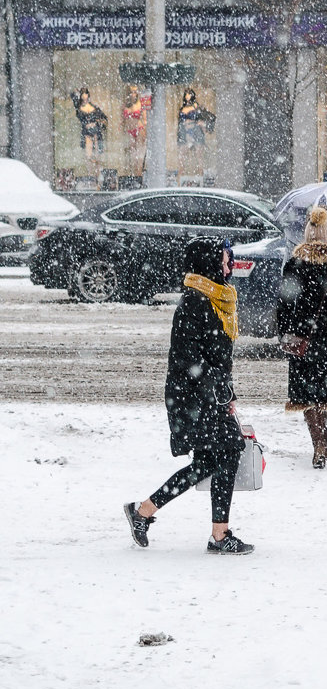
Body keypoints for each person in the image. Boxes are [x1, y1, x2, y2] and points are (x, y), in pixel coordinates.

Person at [123, 237, 254, 555]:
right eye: (225, 260)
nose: (229, 265)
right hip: (192, 398)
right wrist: (218, 392)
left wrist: (227, 392)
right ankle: (219, 536)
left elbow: (219, 358)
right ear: (210, 263)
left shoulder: (217, 298)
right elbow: (188, 359)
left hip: (207, 396)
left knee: (211, 460)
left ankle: (143, 511)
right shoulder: (195, 301)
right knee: (228, 452)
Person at [277, 206, 327, 469]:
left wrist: (284, 333)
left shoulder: (294, 265)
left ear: (307, 235)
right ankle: (326, 438)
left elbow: (284, 305)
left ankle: (318, 442)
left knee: (307, 394)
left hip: (302, 338)